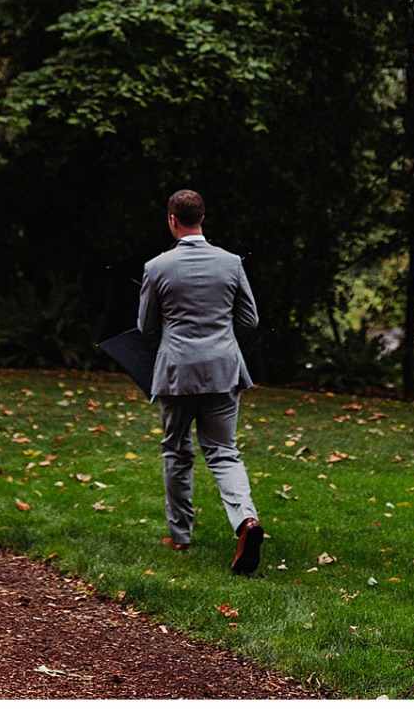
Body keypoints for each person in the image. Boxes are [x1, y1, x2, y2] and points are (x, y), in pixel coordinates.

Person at [138, 189, 263, 575]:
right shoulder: (230, 263)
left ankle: (180, 535)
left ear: (173, 219)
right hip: (224, 369)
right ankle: (246, 520)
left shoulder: (157, 267)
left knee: (177, 451)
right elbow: (250, 319)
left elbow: (145, 326)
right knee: (224, 451)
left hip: (177, 372)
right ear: (202, 218)